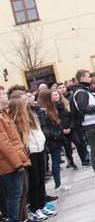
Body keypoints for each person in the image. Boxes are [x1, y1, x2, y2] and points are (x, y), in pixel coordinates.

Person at [8, 96, 56, 221]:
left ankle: (42, 205)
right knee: (34, 181)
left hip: (39, 148)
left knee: (41, 179)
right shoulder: (16, 120)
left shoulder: (32, 113)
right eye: (24, 100)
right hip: (31, 151)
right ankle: (35, 209)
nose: (27, 101)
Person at [0, 89, 30, 222]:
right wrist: (17, 163)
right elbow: (5, 144)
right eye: (2, 94)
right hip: (10, 163)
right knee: (14, 195)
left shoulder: (4, 114)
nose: (6, 95)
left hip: (16, 159)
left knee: (19, 193)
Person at [35, 89, 71, 193]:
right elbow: (45, 128)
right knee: (55, 161)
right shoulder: (43, 110)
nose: (53, 97)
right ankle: (58, 184)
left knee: (56, 160)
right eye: (50, 96)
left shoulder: (49, 108)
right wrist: (56, 135)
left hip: (56, 137)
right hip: (52, 139)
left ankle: (58, 183)